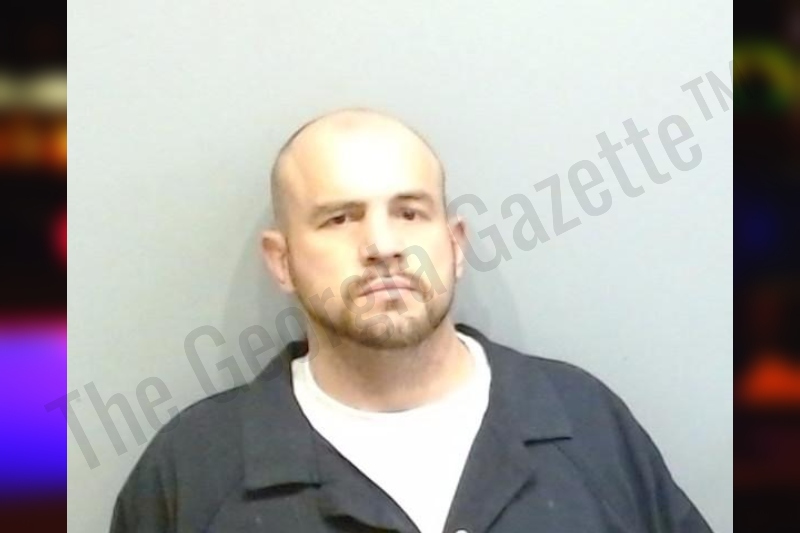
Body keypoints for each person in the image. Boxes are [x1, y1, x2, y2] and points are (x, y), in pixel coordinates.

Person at [110, 108, 713, 532]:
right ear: (281, 260)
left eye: (409, 212)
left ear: (455, 243)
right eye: (340, 219)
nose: (382, 246)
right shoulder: (195, 468)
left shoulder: (584, 423)